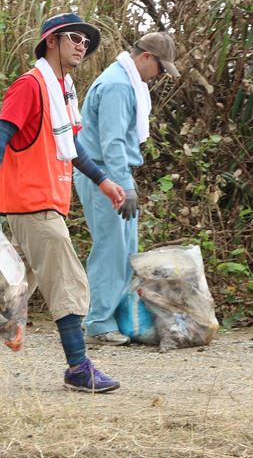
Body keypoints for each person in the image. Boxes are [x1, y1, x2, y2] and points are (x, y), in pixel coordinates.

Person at [0, 12, 127, 393]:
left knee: (10, 287)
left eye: (86, 41)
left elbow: (71, 147)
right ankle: (78, 367)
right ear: (52, 40)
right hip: (32, 204)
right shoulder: (31, 86)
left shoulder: (62, 92)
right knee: (68, 280)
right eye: (75, 37)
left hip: (42, 202)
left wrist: (102, 181)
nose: (82, 45)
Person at [74, 32, 180, 345]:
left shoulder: (127, 81)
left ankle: (116, 318)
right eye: (160, 68)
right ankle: (99, 323)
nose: (159, 76)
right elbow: (112, 142)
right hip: (103, 175)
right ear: (145, 57)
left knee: (126, 250)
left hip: (114, 173)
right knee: (111, 249)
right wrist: (123, 185)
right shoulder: (118, 86)